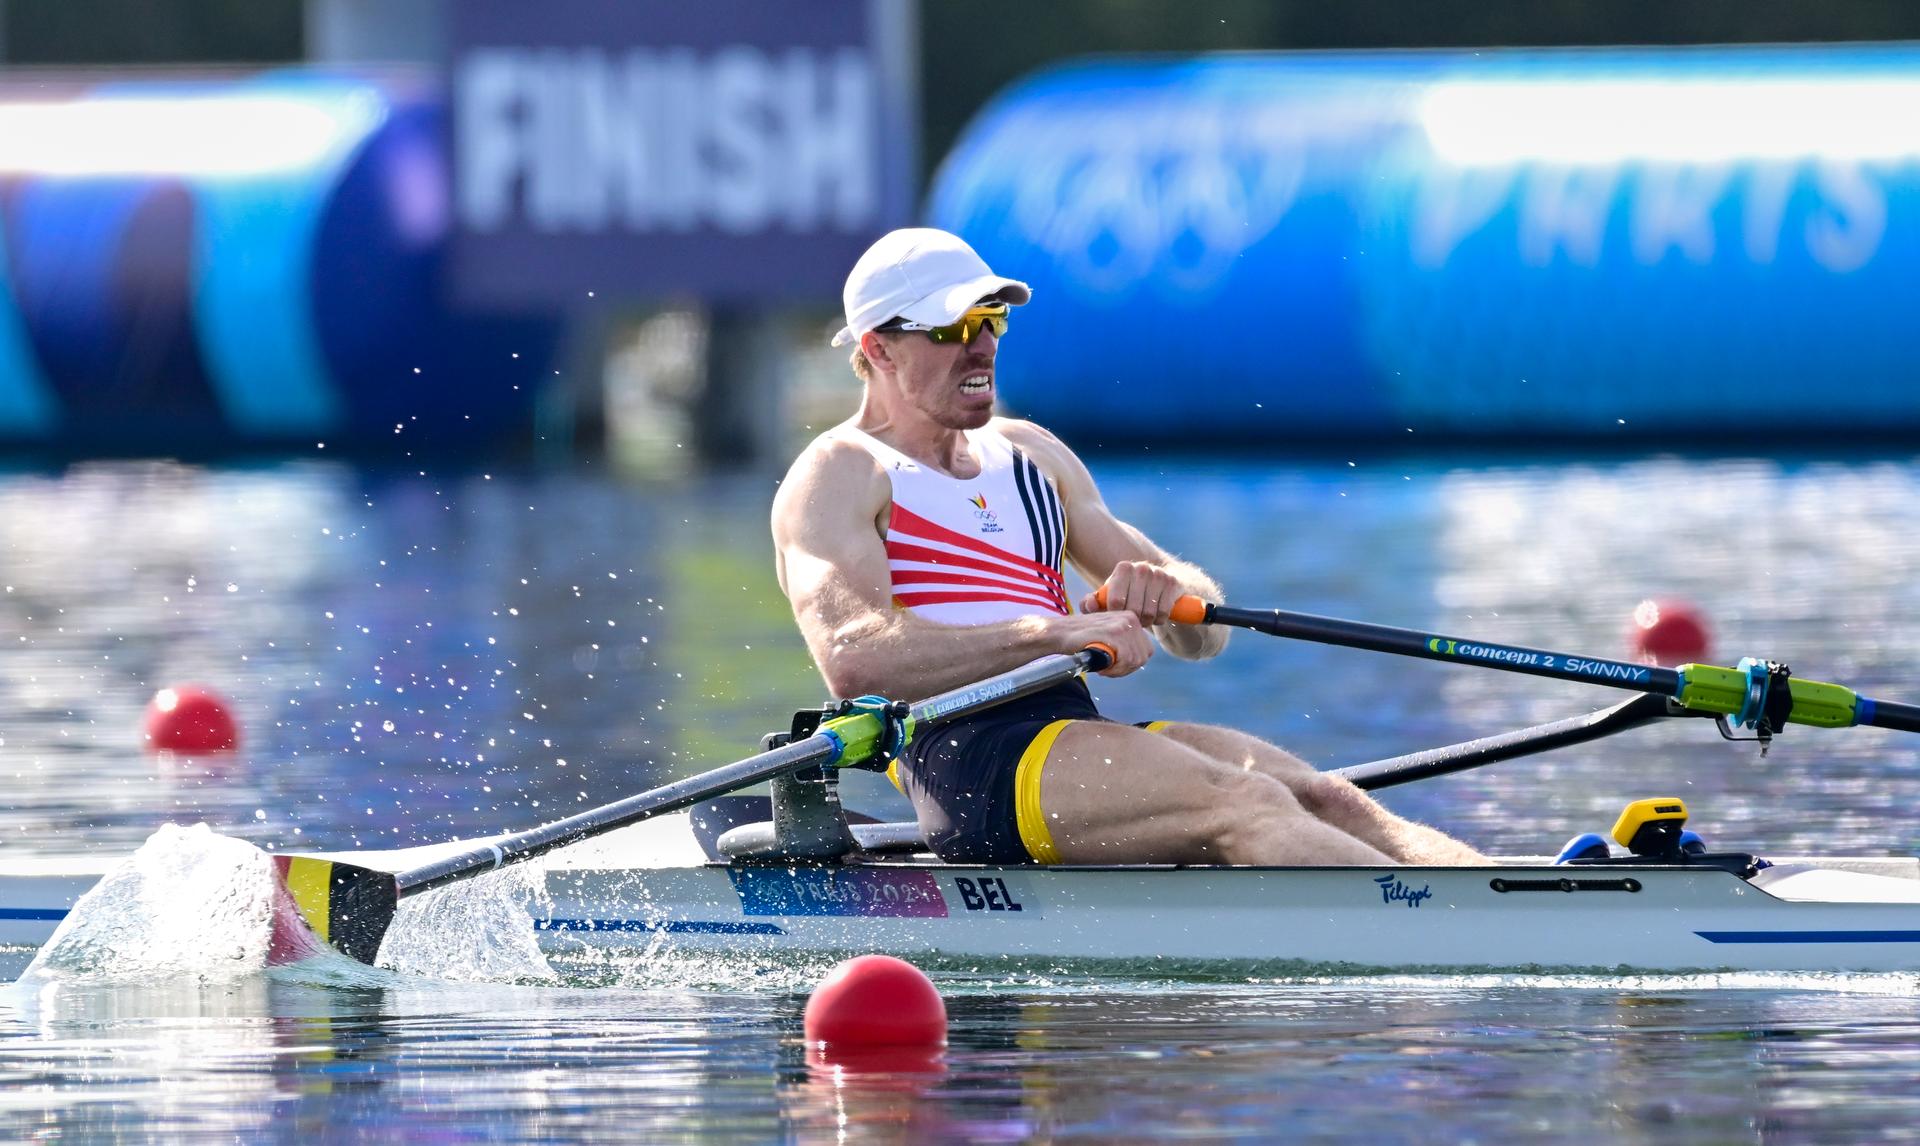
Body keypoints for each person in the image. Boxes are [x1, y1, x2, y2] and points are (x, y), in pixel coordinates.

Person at [771, 227, 1484, 868]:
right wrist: (1060, 632)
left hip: (1072, 736)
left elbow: (1201, 638)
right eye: (954, 326)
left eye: (992, 319)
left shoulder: (1030, 454)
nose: (982, 344)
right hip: (972, 760)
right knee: (1248, 806)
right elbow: (857, 658)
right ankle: (1457, 943)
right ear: (878, 348)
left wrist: (1166, 594)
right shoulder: (840, 472)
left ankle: (1501, 901)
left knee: (1324, 796)